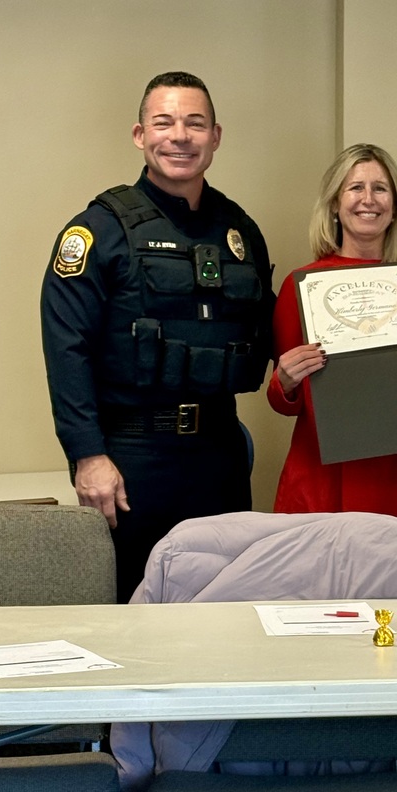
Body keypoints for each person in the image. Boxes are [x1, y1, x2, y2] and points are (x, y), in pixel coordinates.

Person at [41, 71, 275, 604]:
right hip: (131, 458)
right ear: (139, 135)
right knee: (133, 611)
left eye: (195, 124)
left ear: (215, 136)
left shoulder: (239, 230)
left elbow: (271, 328)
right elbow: (66, 348)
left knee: (225, 610)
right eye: (164, 122)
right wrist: (87, 456)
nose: (180, 136)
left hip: (220, 450)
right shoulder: (98, 230)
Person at [267, 143, 397, 549]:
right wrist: (286, 381)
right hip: (332, 476)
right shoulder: (301, 286)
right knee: (333, 607)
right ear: (334, 203)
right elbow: (285, 400)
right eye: (355, 188)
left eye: (381, 189)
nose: (368, 200)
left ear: (396, 205)